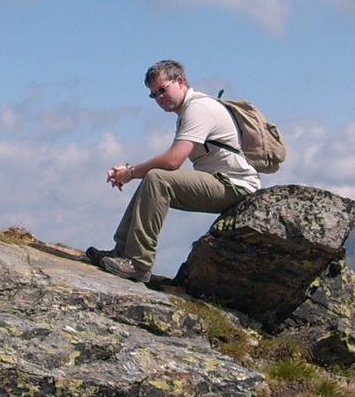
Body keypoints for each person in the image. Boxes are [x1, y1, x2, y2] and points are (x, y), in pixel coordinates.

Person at [88, 60, 261, 282]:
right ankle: (122, 252)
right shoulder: (188, 112)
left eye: (162, 90)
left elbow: (173, 160)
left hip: (234, 186)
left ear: (179, 81)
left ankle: (138, 264)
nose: (159, 97)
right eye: (153, 95)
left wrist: (130, 172)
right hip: (221, 181)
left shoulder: (198, 109)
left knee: (158, 179)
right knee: (153, 179)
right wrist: (133, 172)